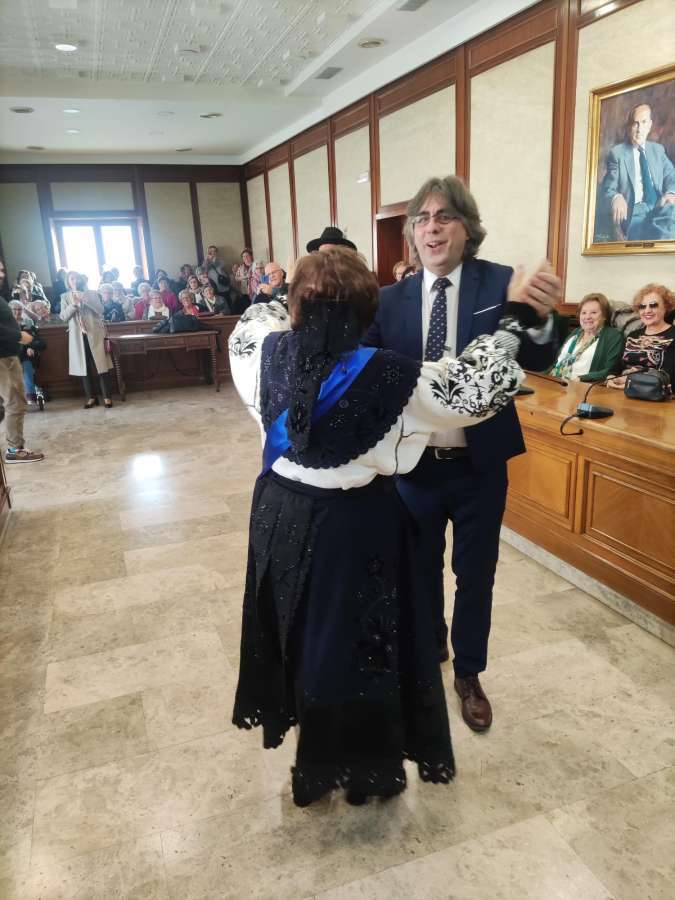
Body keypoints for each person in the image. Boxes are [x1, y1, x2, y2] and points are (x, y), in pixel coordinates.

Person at [228, 247, 535, 807]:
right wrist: (512, 322)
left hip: (278, 515)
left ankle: (311, 750)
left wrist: (286, 293)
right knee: (353, 647)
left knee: (295, 632)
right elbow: (476, 385)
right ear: (368, 311)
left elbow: (252, 319)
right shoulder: (392, 375)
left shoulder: (260, 350)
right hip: (352, 527)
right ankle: (358, 765)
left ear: (297, 306)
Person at [363, 175, 560, 733]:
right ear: (412, 233)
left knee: (477, 575)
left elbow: (540, 355)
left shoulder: (498, 283)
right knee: (419, 569)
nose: (433, 228)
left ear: (467, 229)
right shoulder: (389, 300)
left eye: (445, 216)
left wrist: (544, 316)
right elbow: (367, 371)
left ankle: (469, 673)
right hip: (413, 467)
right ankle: (431, 650)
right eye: (422, 218)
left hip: (480, 466)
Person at [599, 103, 675, 242]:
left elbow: (671, 176)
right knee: (660, 235)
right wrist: (616, 197)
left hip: (659, 208)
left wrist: (670, 193)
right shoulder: (617, 154)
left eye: (644, 122)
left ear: (650, 125)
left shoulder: (658, 150)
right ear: (629, 126)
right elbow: (608, 187)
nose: (639, 129)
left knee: (670, 219)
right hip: (634, 213)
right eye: (635, 124)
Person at [0, 260, 44, 463]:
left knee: (14, 403)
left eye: (2, 270)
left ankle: (14, 446)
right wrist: (18, 335)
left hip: (8, 356)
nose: (1, 274)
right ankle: (14, 449)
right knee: (15, 403)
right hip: (3, 358)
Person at [60, 271, 114, 409]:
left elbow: (101, 310)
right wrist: (74, 304)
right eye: (72, 279)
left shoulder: (92, 293)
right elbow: (63, 317)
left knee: (101, 365)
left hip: (95, 334)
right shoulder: (65, 297)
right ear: (68, 282)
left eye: (77, 278)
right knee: (84, 367)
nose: (75, 281)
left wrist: (85, 300)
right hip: (78, 337)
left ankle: (107, 397)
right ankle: (91, 397)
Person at [606, 283, 675, 389]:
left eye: (653, 305)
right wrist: (611, 378)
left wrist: (631, 382)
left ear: (666, 307)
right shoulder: (633, 335)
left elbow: (669, 376)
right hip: (620, 391)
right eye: (642, 306)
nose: (647, 310)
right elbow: (615, 367)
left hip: (653, 394)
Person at [549, 292, 624, 382]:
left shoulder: (613, 336)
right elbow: (557, 361)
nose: (587, 317)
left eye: (593, 312)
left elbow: (610, 370)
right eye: (583, 313)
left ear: (604, 316)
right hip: (554, 380)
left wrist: (581, 379)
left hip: (581, 385)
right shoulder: (576, 332)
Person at [9, 300, 46, 405]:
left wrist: (31, 347)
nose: (17, 312)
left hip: (25, 355)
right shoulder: (5, 324)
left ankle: (30, 395)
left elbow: (39, 341)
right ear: (9, 310)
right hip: (10, 356)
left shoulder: (28, 322)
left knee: (27, 367)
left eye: (19, 309)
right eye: (14, 309)